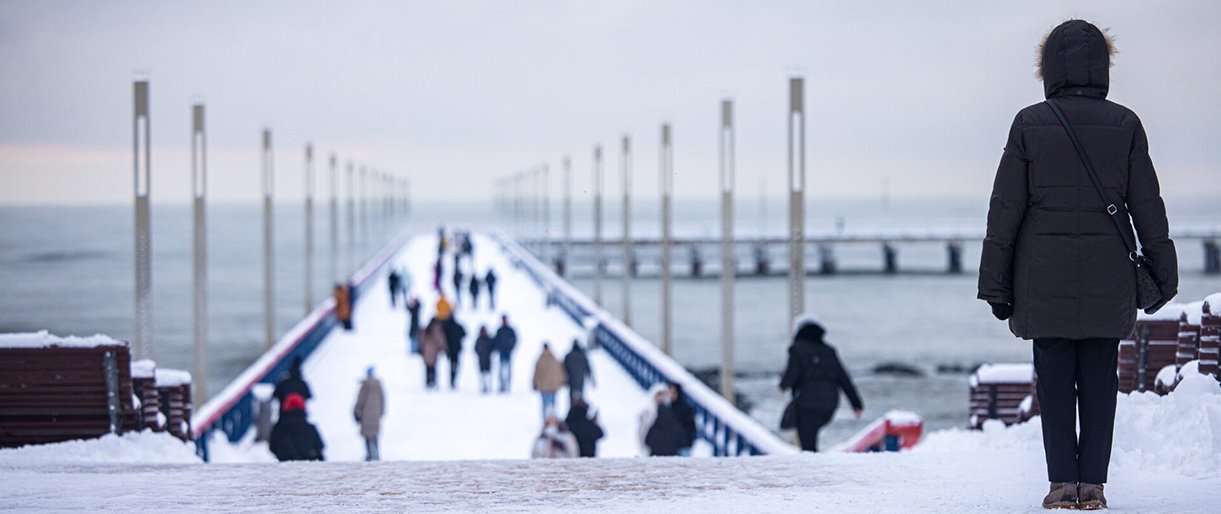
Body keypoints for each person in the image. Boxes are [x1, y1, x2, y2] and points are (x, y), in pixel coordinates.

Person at [977, 20, 1178, 511]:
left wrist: (996, 285)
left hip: (1042, 279)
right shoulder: (1126, 124)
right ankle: (1095, 487)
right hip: (1108, 276)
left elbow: (1006, 210)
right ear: (1102, 66)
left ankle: (1062, 485)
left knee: (1053, 380)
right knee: (1099, 381)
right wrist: (1164, 275)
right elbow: (1148, 206)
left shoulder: (1028, 123)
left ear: (1048, 70)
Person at [779, 315, 863, 453]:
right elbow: (844, 379)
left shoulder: (797, 349)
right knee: (812, 436)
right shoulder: (829, 351)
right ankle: (814, 465)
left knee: (807, 443)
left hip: (806, 403)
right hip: (829, 403)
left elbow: (792, 373)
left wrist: (782, 386)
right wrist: (857, 404)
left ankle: (810, 469)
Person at [269, 393, 324, 461]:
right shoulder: (310, 428)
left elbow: (272, 447)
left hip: (285, 466)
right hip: (307, 466)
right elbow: (320, 446)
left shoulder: (278, 428)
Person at [639, 384, 685, 457]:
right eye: (659, 395)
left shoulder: (673, 411)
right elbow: (642, 431)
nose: (661, 398)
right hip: (650, 450)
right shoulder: (647, 412)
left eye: (664, 395)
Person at [353, 366, 385, 462]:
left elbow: (360, 400)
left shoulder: (365, 385)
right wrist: (381, 412)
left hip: (365, 415)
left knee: (367, 435)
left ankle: (369, 454)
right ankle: (376, 453)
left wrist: (356, 410)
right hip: (376, 415)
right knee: (374, 435)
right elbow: (383, 399)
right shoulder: (379, 385)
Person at [531, 343, 567, 421]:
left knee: (545, 404)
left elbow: (536, 373)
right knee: (553, 404)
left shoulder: (539, 360)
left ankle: (545, 420)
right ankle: (553, 420)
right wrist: (562, 382)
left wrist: (534, 383)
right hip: (554, 386)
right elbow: (560, 372)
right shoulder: (555, 359)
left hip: (543, 387)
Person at [668, 382, 696, 455]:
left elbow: (691, 427)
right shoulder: (666, 408)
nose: (671, 395)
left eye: (673, 392)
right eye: (669, 392)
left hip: (683, 446)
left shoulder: (686, 408)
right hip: (669, 446)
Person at [420, 318, 447, 390]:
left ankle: (428, 381)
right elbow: (440, 340)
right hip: (433, 351)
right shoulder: (437, 330)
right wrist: (443, 348)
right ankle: (433, 381)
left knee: (428, 368)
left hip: (426, 351)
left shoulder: (426, 330)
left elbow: (421, 340)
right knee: (433, 368)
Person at [443, 312, 467, 389]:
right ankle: (453, 380)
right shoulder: (457, 326)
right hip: (455, 349)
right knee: (455, 365)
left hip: (450, 349)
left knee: (452, 365)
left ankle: (452, 380)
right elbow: (464, 334)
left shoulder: (446, 327)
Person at [493, 315, 517, 393]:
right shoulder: (499, 330)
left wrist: (510, 348)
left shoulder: (510, 330)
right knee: (501, 370)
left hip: (508, 352)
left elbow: (514, 340)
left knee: (508, 370)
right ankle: (501, 385)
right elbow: (496, 340)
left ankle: (508, 385)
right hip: (501, 352)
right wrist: (498, 348)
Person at [474, 326, 495, 394]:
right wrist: (480, 353)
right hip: (481, 359)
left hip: (488, 359)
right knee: (482, 374)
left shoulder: (488, 339)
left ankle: (488, 387)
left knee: (488, 374)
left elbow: (493, 347)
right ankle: (483, 386)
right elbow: (476, 348)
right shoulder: (479, 339)